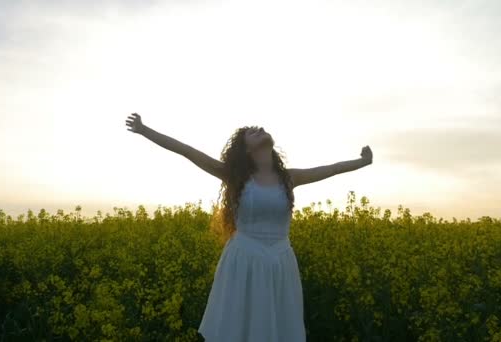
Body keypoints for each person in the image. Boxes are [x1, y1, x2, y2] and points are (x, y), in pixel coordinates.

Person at [125, 113, 373, 341]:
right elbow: (186, 151)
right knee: (240, 328)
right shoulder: (235, 176)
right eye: (253, 132)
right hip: (244, 260)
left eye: (260, 128)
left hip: (280, 261)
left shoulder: (289, 177)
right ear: (245, 149)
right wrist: (145, 130)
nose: (260, 129)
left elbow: (330, 169)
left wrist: (363, 161)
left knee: (278, 328)